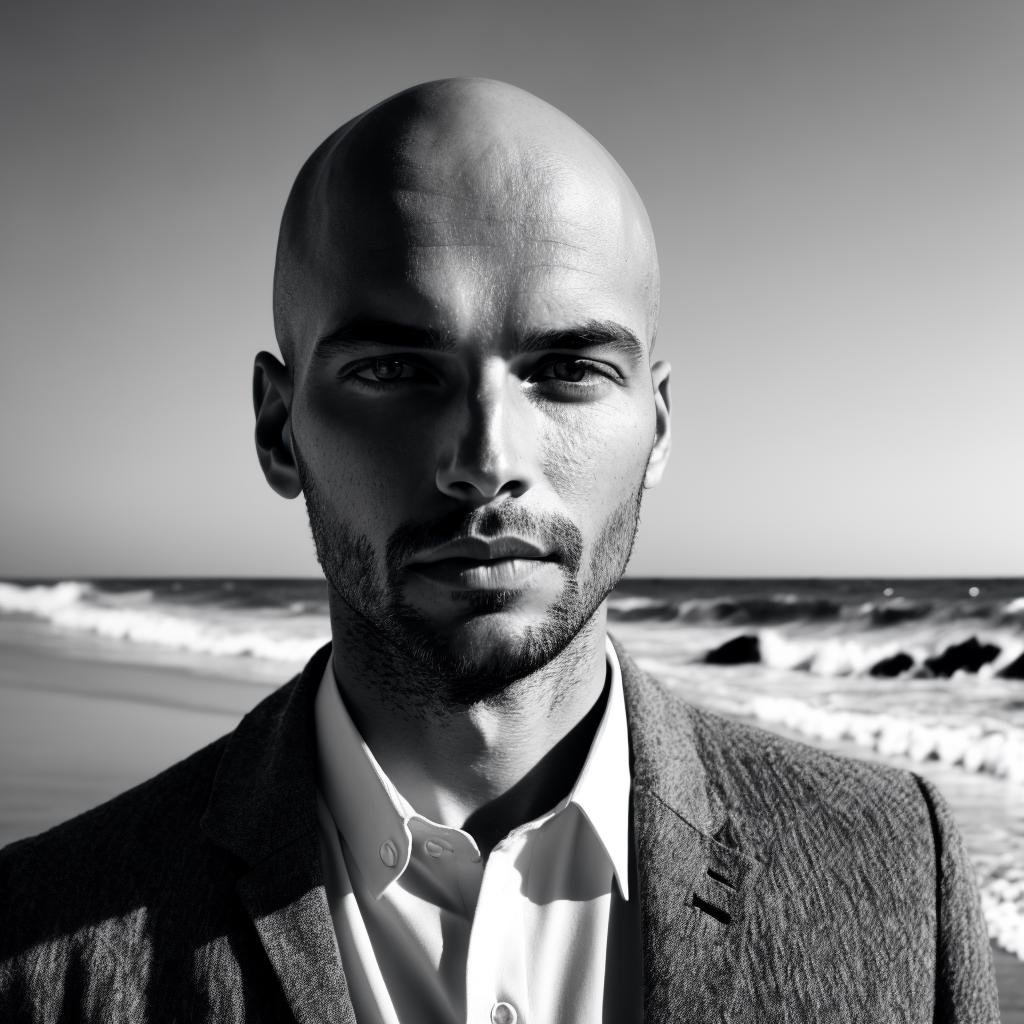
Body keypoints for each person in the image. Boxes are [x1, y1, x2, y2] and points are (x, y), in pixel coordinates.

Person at [0, 78, 999, 1023]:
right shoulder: (38, 944)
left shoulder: (895, 866)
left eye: (565, 369)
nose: (484, 460)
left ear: (656, 428)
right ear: (278, 427)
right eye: (395, 368)